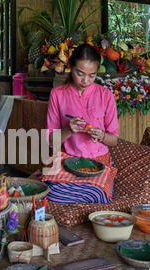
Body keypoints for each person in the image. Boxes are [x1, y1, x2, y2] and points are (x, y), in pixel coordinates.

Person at [44, 43, 119, 204]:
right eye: (80, 73)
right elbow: (50, 140)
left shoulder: (106, 96)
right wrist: (68, 130)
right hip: (68, 162)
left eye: (92, 75)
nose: (86, 80)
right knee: (50, 194)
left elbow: (114, 140)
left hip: (98, 163)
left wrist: (102, 135)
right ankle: (80, 196)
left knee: (97, 196)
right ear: (70, 67)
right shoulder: (57, 94)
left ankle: (87, 194)